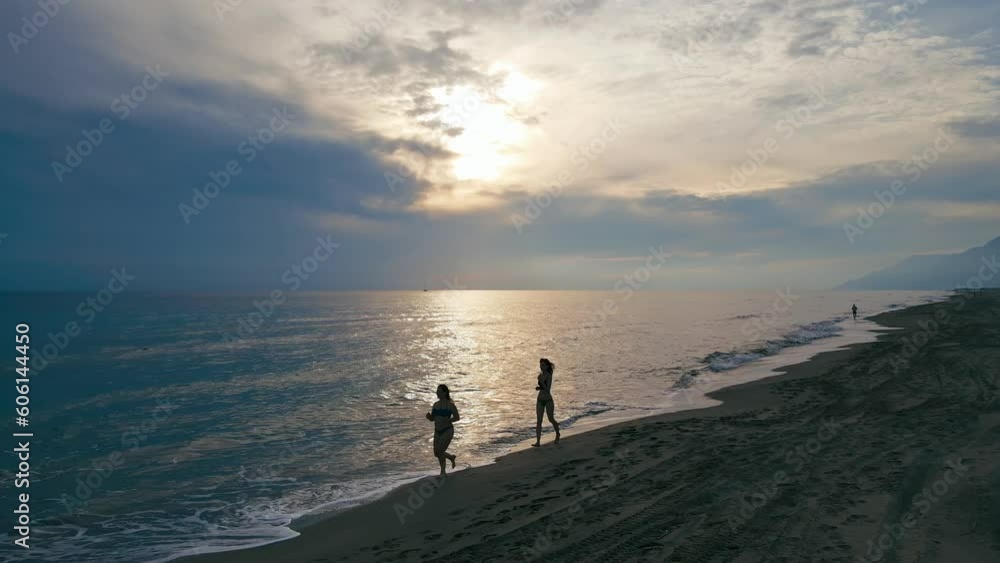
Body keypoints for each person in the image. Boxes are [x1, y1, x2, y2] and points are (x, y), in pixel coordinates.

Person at [426, 384, 459, 477]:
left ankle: (443, 472)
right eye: (437, 392)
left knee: (440, 452)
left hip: (447, 430)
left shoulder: (450, 405)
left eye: (440, 392)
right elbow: (433, 418)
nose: (437, 393)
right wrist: (429, 417)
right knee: (436, 453)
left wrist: (449, 420)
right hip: (437, 431)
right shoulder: (435, 405)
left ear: (445, 393)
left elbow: (457, 418)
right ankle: (451, 457)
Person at [533, 358, 561, 447]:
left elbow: (548, 389)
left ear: (547, 366)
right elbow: (542, 388)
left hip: (548, 400)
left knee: (551, 419)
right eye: (540, 365)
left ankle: (557, 434)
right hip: (540, 400)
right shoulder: (540, 375)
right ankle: (538, 442)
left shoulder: (549, 375)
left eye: (543, 365)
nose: (541, 367)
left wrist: (541, 381)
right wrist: (539, 388)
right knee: (539, 421)